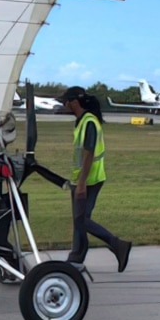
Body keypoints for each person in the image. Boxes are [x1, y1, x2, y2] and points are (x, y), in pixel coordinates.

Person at [59, 86, 132, 272]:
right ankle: (76, 258)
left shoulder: (88, 122)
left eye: (65, 101)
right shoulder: (83, 121)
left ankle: (117, 245)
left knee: (81, 220)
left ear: (74, 102)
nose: (64, 105)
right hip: (86, 179)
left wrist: (82, 183)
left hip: (89, 180)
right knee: (81, 220)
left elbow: (89, 153)